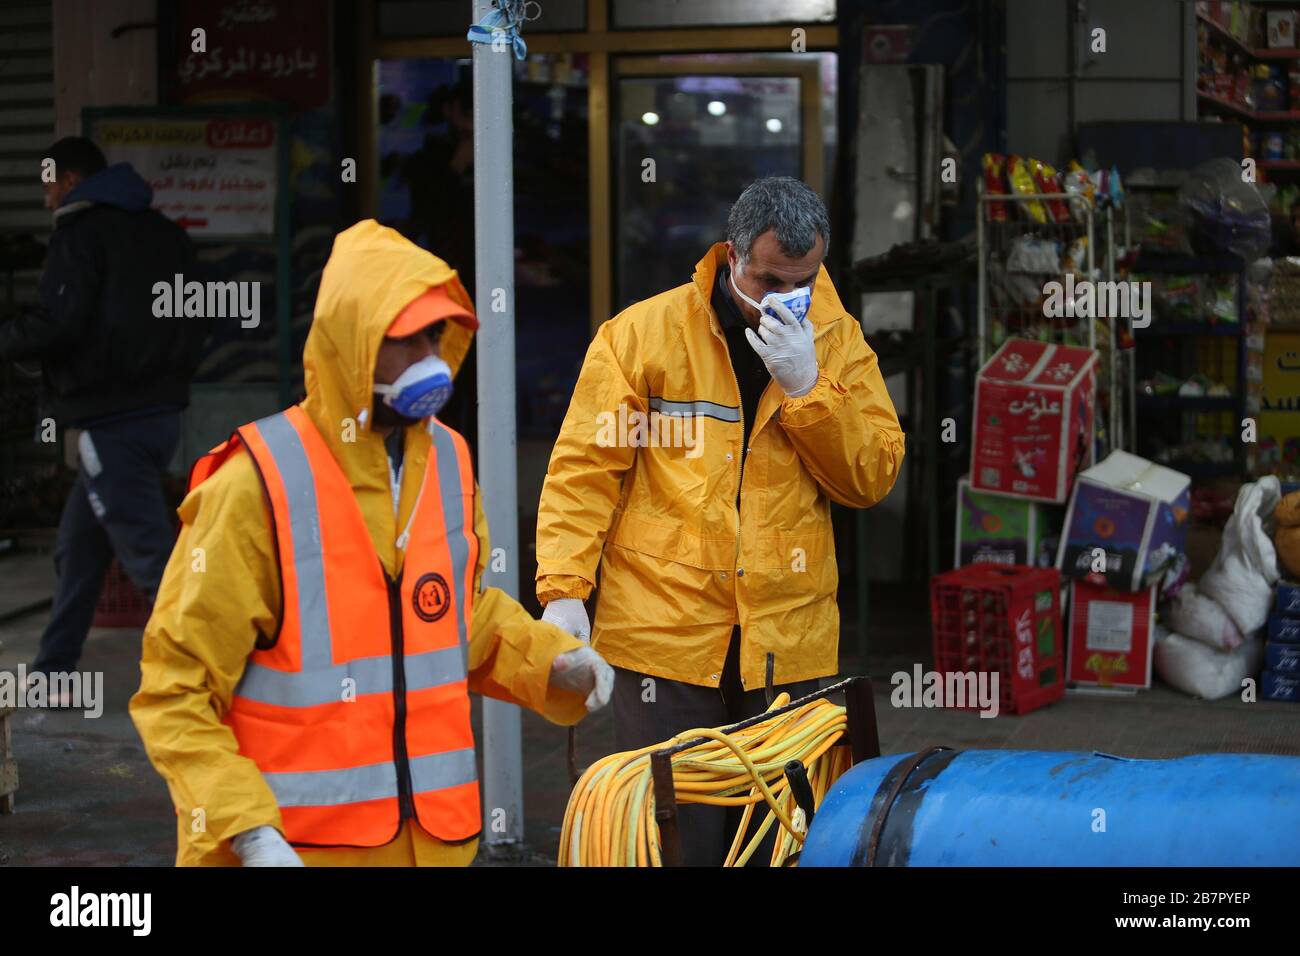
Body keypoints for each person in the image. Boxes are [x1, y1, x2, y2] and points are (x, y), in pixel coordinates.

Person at [129, 220, 613, 866]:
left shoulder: (447, 459)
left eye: (434, 336)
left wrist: (553, 659)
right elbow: (177, 686)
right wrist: (245, 829)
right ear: (351, 345)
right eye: (404, 340)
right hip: (299, 851)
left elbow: (454, 618)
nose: (429, 358)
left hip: (433, 847)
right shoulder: (255, 482)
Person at [535, 176, 905, 865]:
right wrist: (564, 590)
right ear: (732, 257)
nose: (788, 301)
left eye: (806, 281)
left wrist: (809, 391)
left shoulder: (837, 342)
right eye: (769, 281)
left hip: (784, 645)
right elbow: (584, 471)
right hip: (665, 642)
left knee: (777, 841)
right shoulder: (643, 336)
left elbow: (871, 477)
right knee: (678, 838)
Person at [0, 137, 204, 688]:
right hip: (160, 415)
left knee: (151, 563)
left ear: (68, 180)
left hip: (113, 423)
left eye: (47, 185)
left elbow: (59, 323)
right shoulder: (165, 233)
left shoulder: (79, 235)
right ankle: (53, 672)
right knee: (78, 551)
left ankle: (212, 677)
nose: (44, 200)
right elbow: (197, 319)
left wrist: (10, 339)